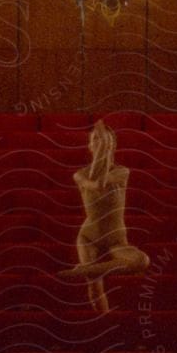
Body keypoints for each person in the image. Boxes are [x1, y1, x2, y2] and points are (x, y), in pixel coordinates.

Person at [59, 120, 150, 312]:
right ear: (90, 146)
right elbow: (95, 184)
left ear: (112, 145)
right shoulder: (80, 175)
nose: (98, 143)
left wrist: (104, 141)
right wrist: (102, 137)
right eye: (94, 140)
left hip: (116, 240)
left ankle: (83, 271)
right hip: (89, 237)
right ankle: (104, 322)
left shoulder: (122, 172)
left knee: (141, 260)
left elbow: (103, 181)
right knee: (94, 288)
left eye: (103, 140)